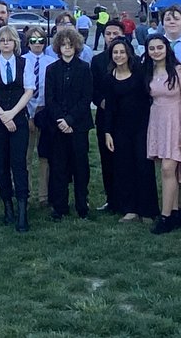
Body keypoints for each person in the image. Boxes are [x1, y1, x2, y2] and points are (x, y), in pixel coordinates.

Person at [0, 24, 35, 231]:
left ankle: (23, 210)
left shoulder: (24, 63)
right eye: (2, 40)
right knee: (2, 165)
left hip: (19, 119)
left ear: (15, 43)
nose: (6, 44)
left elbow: (29, 90)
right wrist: (3, 116)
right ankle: (7, 207)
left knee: (19, 164)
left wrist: (12, 114)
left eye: (9, 40)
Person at [102, 37, 159, 223]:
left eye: (122, 52)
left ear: (128, 54)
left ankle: (148, 210)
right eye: (115, 53)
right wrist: (108, 132)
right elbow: (109, 107)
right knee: (124, 168)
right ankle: (130, 209)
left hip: (142, 127)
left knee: (143, 167)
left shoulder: (140, 73)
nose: (119, 55)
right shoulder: (109, 78)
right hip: (120, 130)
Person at [145, 35, 181, 234]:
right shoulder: (148, 72)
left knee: (168, 168)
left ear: (166, 49)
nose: (156, 51)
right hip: (158, 121)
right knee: (168, 170)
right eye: (152, 48)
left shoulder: (179, 71)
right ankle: (175, 212)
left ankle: (165, 216)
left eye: (159, 47)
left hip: (176, 121)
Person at [44, 26, 93, 221]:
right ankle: (59, 206)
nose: (66, 48)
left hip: (78, 126)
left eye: (70, 45)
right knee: (58, 167)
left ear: (76, 47)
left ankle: (82, 205)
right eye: (63, 45)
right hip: (57, 126)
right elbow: (50, 99)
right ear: (58, 47)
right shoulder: (52, 70)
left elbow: (86, 97)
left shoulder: (84, 68)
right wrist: (61, 121)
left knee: (81, 167)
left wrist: (71, 120)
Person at [90, 20, 125, 212]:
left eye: (115, 33)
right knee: (107, 159)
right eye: (108, 33)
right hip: (105, 116)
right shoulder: (98, 61)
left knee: (126, 158)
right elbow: (93, 90)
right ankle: (111, 199)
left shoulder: (131, 58)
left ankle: (127, 198)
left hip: (127, 117)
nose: (112, 37)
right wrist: (105, 105)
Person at [23, 27, 53, 207]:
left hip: (45, 112)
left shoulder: (51, 62)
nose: (37, 44)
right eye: (33, 40)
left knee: (45, 156)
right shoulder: (21, 62)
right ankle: (24, 193)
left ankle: (44, 195)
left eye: (40, 40)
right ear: (28, 43)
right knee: (24, 156)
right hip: (25, 112)